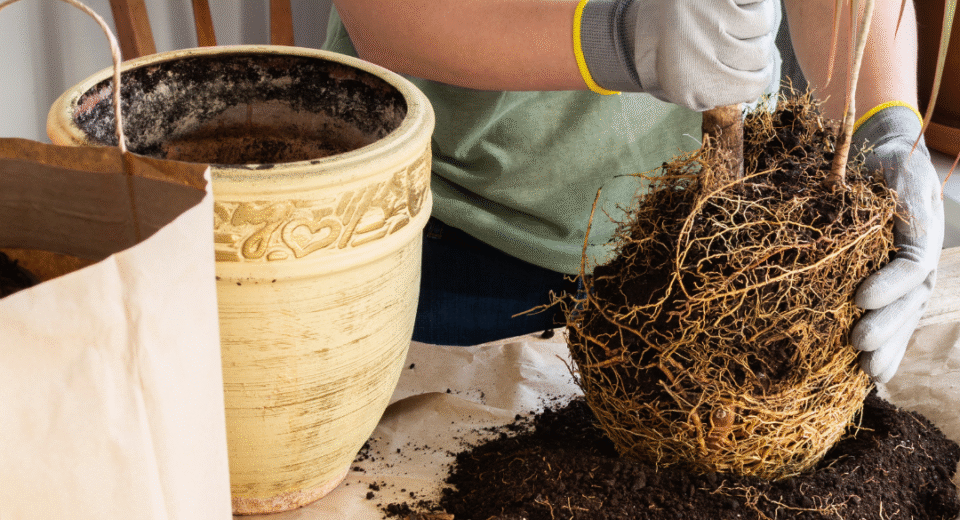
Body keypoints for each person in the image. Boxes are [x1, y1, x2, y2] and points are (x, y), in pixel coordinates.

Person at [322, 0, 944, 383]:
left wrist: (883, 123)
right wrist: (617, 37)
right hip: (461, 236)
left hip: (717, 247)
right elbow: (385, 14)